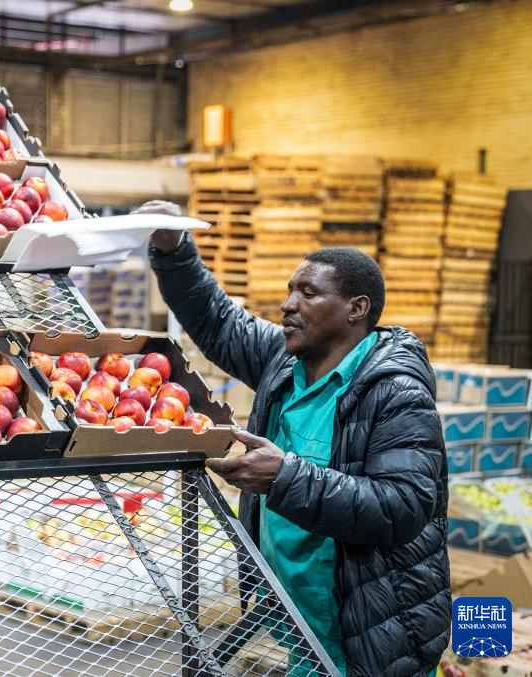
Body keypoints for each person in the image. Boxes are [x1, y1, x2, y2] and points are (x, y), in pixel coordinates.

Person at [143, 201, 450, 677]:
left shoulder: (395, 392)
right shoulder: (285, 363)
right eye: (290, 291)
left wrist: (284, 477)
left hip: (368, 635)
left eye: (308, 293)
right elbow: (217, 320)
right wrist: (173, 248)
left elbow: (402, 506)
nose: (288, 304)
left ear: (356, 309)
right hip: (298, 624)